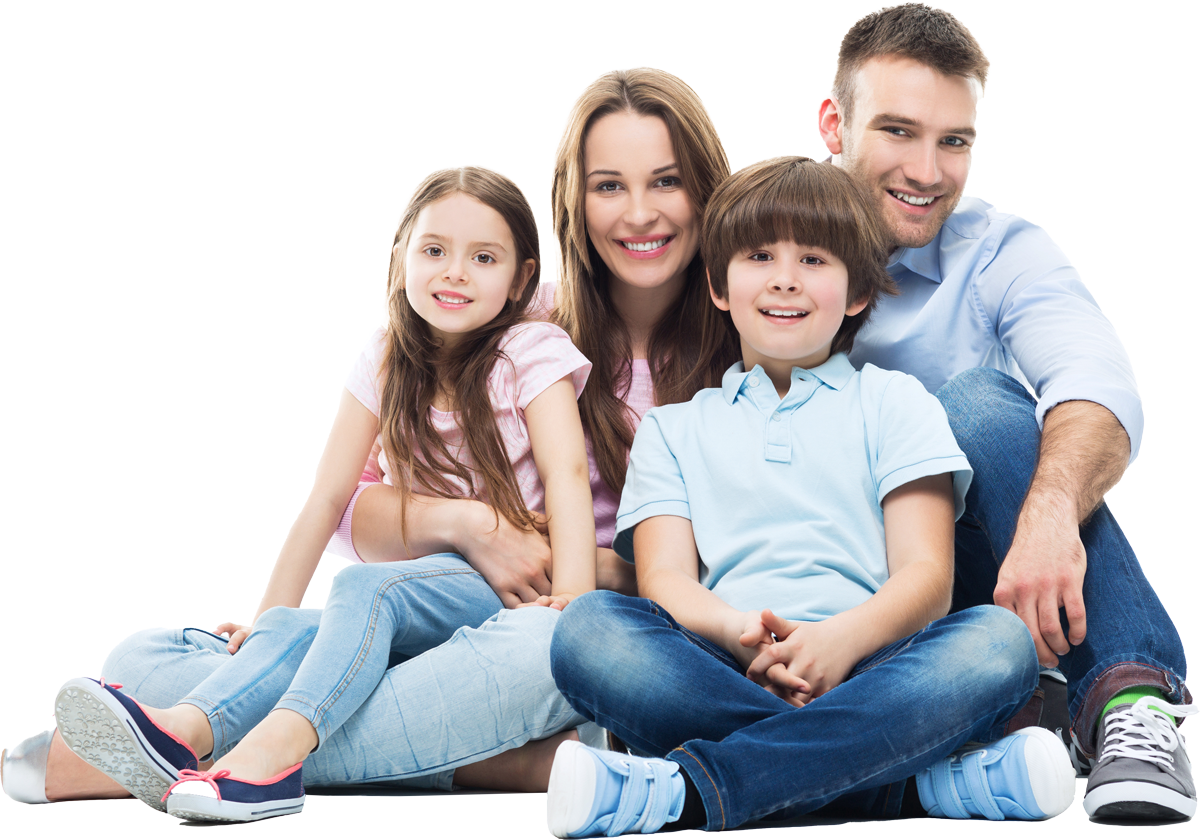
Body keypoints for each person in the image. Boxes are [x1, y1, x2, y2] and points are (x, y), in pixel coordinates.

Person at [1, 67, 738, 808]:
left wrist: (589, 577)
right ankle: (514, 762)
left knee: (556, 647)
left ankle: (162, 756)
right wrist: (467, 523)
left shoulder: (756, 348)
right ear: (573, 201)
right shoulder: (510, 320)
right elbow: (349, 510)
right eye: (609, 185)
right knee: (148, 655)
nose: (638, 212)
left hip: (563, 632)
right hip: (430, 605)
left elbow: (745, 566)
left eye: (667, 181)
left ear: (706, 187)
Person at [545, 155, 1076, 837]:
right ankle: (906, 785)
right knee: (589, 630)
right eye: (760, 255)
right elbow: (666, 581)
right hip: (729, 666)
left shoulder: (895, 403)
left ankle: (687, 792)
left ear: (857, 293)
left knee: (997, 642)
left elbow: (928, 577)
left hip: (875, 664)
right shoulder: (673, 429)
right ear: (718, 284)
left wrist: (836, 643)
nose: (785, 279)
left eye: (815, 259)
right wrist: (740, 637)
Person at [53, 164, 599, 822]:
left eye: (483, 258)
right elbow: (324, 499)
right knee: (148, 655)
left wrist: (573, 603)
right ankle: (185, 728)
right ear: (400, 258)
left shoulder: (531, 351)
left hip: (496, 600)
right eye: (434, 251)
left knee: (363, 587)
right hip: (406, 617)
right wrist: (267, 625)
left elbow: (568, 474)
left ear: (520, 280)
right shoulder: (386, 355)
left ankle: (267, 753)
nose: (454, 272)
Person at [817, 2, 1195, 821]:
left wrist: (1052, 512)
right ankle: (1014, 710)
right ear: (832, 123)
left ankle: (1128, 698)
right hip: (816, 578)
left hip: (965, 572)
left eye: (954, 141)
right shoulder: (765, 243)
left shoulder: (998, 251)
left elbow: (1097, 382)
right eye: (898, 131)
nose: (927, 169)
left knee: (979, 407)